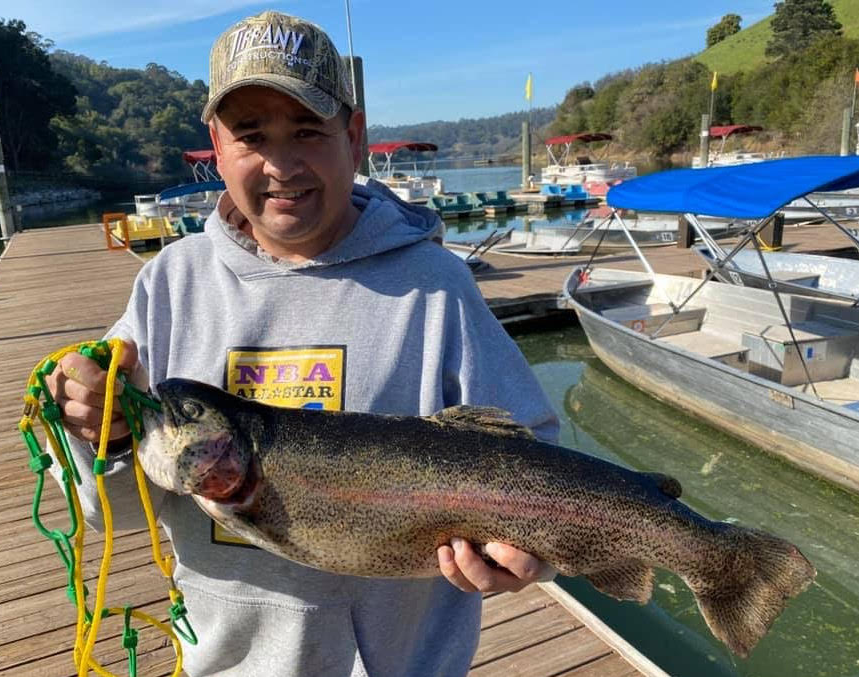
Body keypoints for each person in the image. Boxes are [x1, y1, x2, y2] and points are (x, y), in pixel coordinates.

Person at [47, 10, 559, 676]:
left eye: (308, 132)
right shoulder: (167, 284)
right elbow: (108, 509)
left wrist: (524, 554)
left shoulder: (434, 285)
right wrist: (101, 436)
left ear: (353, 135)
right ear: (216, 144)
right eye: (251, 135)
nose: (281, 165)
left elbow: (538, 461)